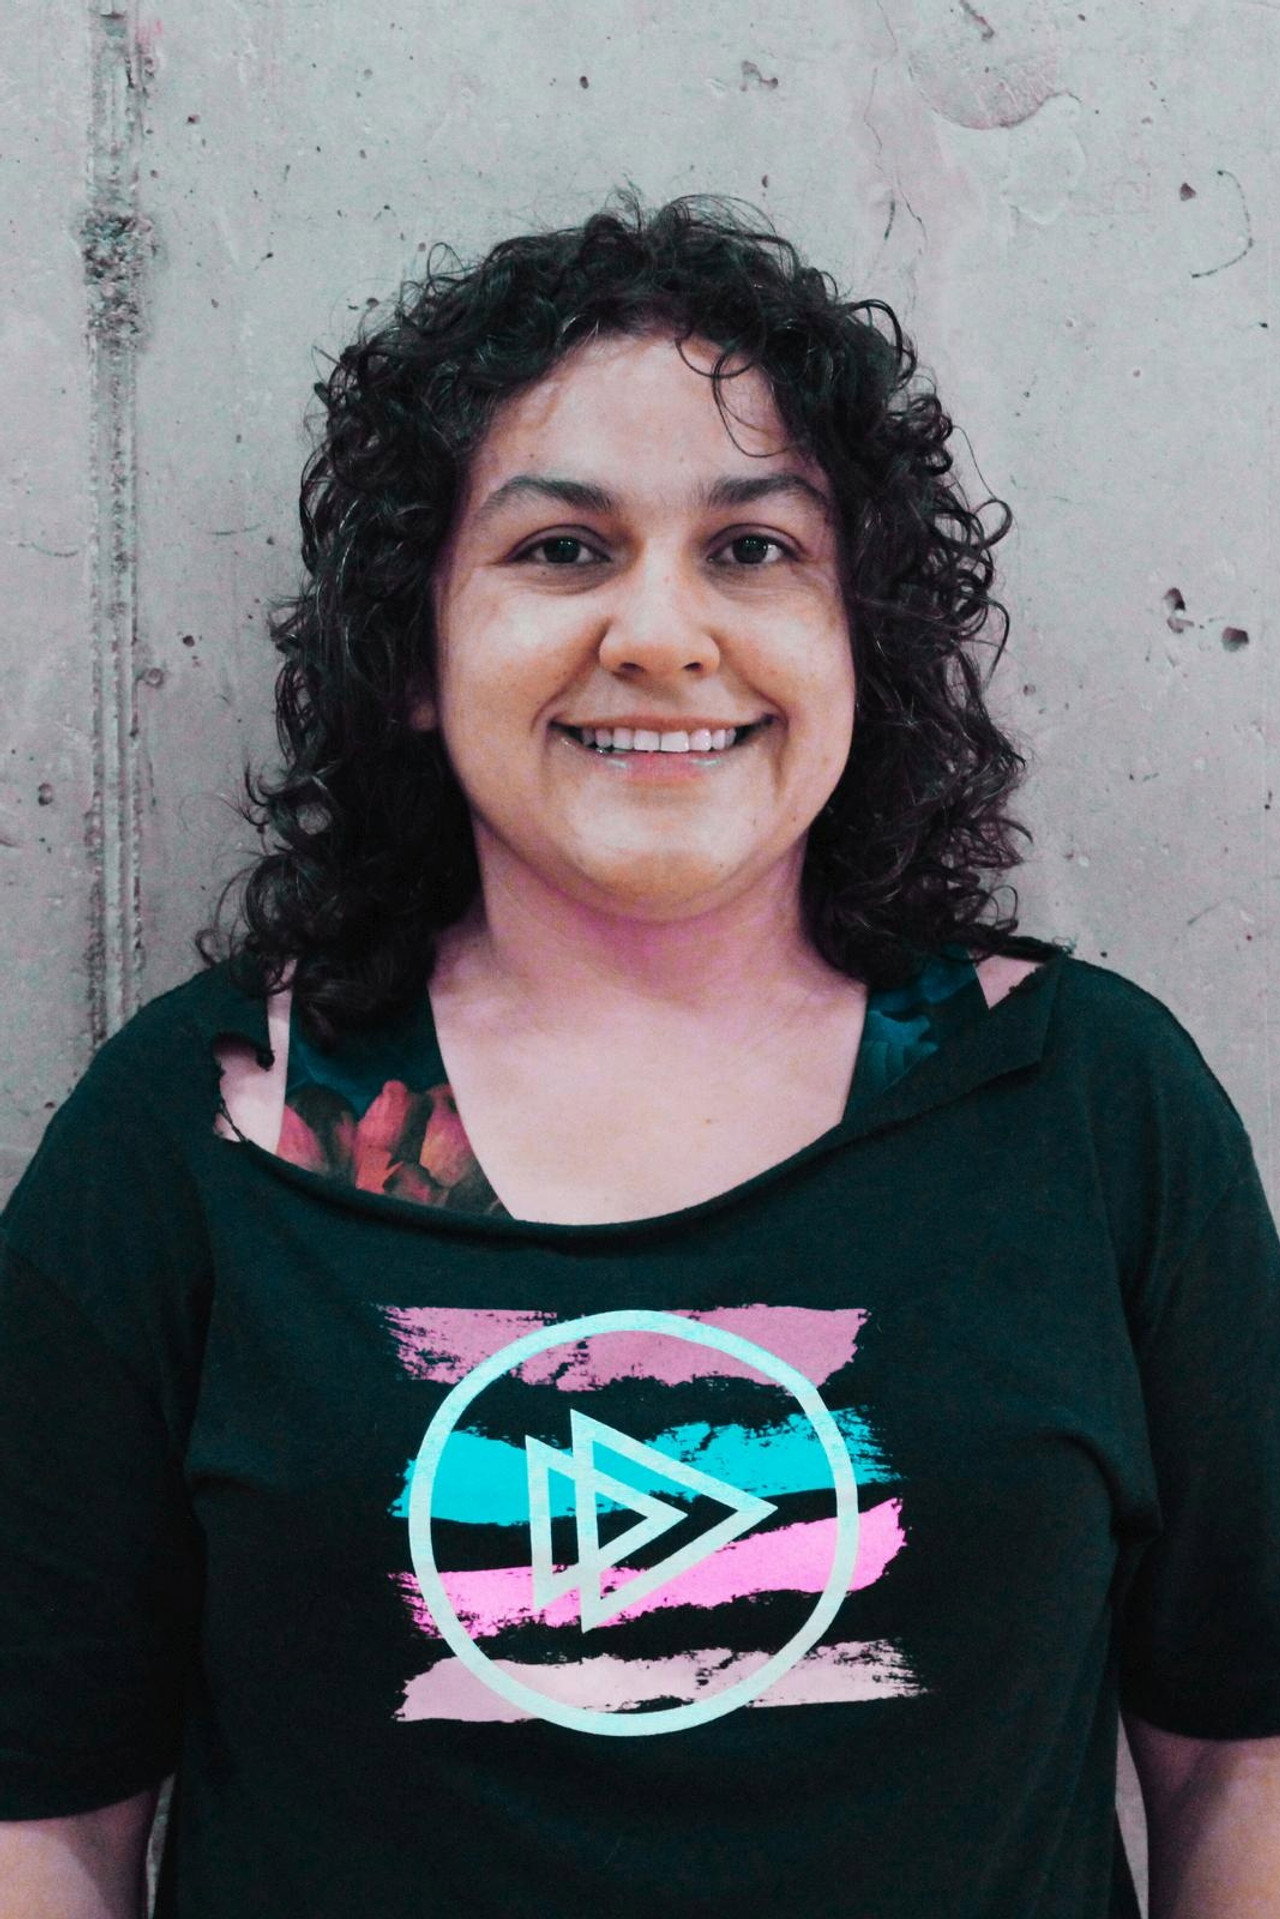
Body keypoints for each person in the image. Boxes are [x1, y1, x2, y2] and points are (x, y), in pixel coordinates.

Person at [1, 192, 1277, 1919]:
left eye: (753, 550)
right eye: (561, 549)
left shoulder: (1084, 1104)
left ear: (862, 633)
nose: (662, 636)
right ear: (415, 653)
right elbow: (44, 1818)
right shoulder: (208, 1126)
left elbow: (1241, 1755)